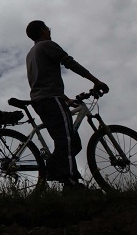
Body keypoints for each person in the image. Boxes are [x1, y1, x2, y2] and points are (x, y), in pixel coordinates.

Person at [25, 20, 109, 190]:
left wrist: (66, 99)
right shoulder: (47, 45)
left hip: (42, 100)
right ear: (42, 30)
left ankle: (53, 170)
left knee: (73, 142)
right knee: (67, 140)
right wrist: (96, 81)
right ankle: (72, 184)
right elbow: (70, 63)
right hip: (50, 99)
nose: (49, 30)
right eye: (47, 27)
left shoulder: (31, 53)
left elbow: (41, 81)